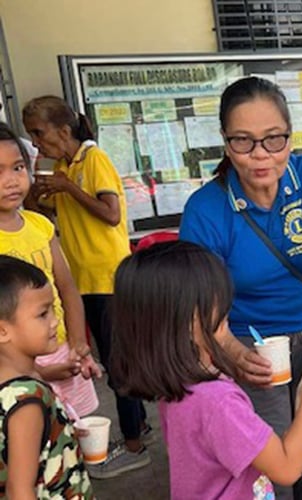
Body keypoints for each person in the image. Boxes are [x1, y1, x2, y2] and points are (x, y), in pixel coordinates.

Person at [180, 76, 302, 500]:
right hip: (251, 346)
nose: (260, 155)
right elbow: (199, 306)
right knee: (272, 469)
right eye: (243, 141)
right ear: (226, 143)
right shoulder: (207, 209)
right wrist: (234, 351)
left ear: (289, 138)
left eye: (273, 140)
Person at [110, 241, 302, 500]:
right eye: (212, 297)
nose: (226, 303)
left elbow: (227, 456)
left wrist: (277, 454)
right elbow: (287, 469)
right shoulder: (218, 401)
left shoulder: (180, 386)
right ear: (181, 319)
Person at [22, 96, 151, 478]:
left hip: (108, 278)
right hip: (84, 281)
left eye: (39, 134)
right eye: (30, 136)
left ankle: (133, 445)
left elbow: (111, 215)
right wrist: (41, 189)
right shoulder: (63, 165)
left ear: (64, 131)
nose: (36, 143)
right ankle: (138, 426)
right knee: (110, 358)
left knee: (118, 364)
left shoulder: (93, 160)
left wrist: (67, 187)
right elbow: (57, 217)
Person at [0, 122, 101, 418]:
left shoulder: (40, 226)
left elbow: (67, 287)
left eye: (18, 167)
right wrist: (39, 370)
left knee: (78, 428)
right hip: (14, 367)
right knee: (36, 436)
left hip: (60, 347)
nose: (11, 181)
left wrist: (78, 345)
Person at [0, 255, 93, 498]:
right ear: (2, 330)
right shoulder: (28, 399)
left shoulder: (14, 384)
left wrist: (61, 436)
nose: (55, 321)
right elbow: (19, 491)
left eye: (53, 309)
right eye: (43, 314)